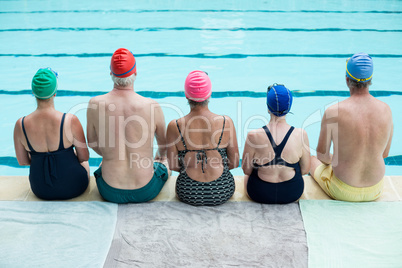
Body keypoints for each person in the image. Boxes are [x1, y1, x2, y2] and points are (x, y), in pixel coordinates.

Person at [87, 48, 170, 204]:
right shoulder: (152, 105)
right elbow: (164, 144)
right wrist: (160, 157)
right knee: (164, 163)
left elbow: (91, 142)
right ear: (135, 73)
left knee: (103, 164)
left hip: (108, 190)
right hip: (146, 189)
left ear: (111, 74)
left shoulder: (95, 104)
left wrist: (109, 154)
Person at [310, 53, 393, 202]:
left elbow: (322, 155)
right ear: (371, 80)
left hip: (342, 189)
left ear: (347, 79)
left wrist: (341, 163)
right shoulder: (386, 110)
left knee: (311, 160)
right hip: (375, 189)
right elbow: (385, 154)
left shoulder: (333, 112)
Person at [13, 68, 90, 200]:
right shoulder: (70, 121)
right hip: (74, 187)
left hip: (40, 189)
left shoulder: (21, 124)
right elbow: (84, 157)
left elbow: (23, 161)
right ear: (55, 93)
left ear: (33, 92)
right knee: (84, 162)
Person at [166, 70, 239, 206]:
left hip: (188, 191)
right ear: (209, 94)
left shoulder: (174, 126)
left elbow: (173, 166)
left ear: (186, 95)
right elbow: (234, 163)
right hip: (222, 190)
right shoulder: (225, 122)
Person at [242, 84, 310, 204]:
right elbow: (305, 170)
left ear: (268, 108)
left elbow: (246, 170)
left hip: (259, 193)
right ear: (289, 108)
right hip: (292, 192)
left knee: (247, 177)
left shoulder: (253, 136)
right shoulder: (301, 135)